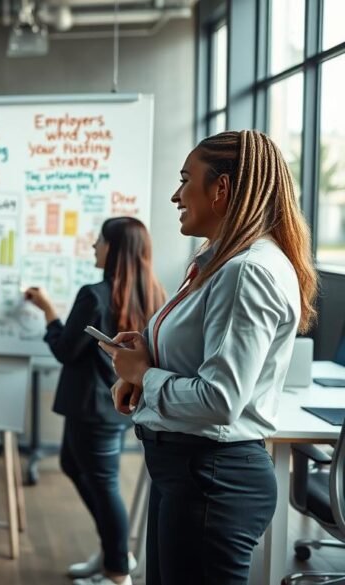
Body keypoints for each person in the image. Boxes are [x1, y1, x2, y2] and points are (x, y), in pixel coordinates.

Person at [101, 130, 318, 584]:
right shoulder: (220, 262)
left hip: (211, 478)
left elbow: (220, 399)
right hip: (190, 472)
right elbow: (203, 359)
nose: (176, 195)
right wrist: (143, 361)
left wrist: (145, 374)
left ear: (221, 189)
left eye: (186, 180)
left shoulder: (246, 271)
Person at [25, 217, 165, 585]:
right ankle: (112, 548)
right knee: (73, 463)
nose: (93, 247)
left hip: (94, 406)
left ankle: (118, 571)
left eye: (99, 241)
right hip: (118, 403)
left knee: (103, 483)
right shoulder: (155, 293)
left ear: (114, 249)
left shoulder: (94, 294)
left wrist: (49, 312)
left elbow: (65, 351)